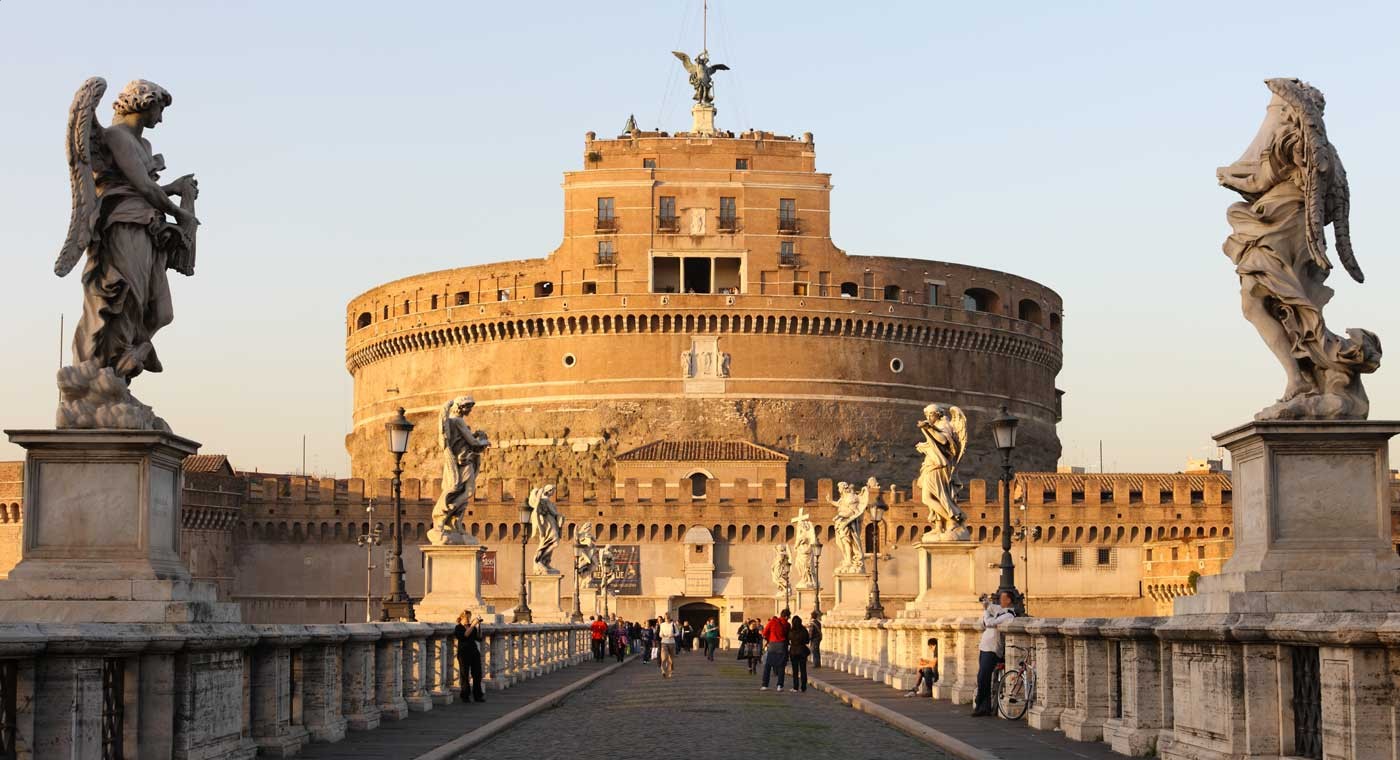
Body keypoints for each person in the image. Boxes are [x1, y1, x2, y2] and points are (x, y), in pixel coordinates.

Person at [972, 591, 1016, 716]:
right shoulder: (999, 610)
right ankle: (983, 706)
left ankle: (982, 706)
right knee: (981, 678)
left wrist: (986, 612)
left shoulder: (1008, 615)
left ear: (1008, 600)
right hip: (985, 647)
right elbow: (990, 606)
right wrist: (985, 602)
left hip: (992, 649)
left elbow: (989, 623)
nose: (1000, 601)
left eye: (1002, 599)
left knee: (983, 678)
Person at [453, 609, 485, 703]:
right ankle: (465, 695)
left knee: (477, 674)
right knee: (464, 674)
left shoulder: (472, 627)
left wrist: (479, 626)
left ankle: (478, 695)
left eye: (470, 617)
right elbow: (465, 636)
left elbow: (479, 638)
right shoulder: (458, 628)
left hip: (474, 652)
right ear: (462, 618)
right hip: (463, 653)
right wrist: (473, 625)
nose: (469, 619)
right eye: (467, 617)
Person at [760, 608, 791, 691]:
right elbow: (788, 636)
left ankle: (764, 685)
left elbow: (764, 633)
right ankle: (779, 685)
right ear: (786, 616)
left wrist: (769, 639)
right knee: (781, 666)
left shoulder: (772, 622)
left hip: (772, 645)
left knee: (768, 665)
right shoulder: (787, 624)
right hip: (782, 645)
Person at [788, 615, 811, 693]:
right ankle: (803, 687)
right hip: (802, 651)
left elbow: (789, 639)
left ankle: (795, 687)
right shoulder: (804, 630)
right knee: (803, 670)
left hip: (793, 651)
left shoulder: (791, 631)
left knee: (795, 671)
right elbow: (807, 640)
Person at [658, 614, 678, 678]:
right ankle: (663, 671)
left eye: (668, 618)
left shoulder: (673, 624)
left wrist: (673, 635)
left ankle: (669, 672)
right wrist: (662, 635)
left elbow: (677, 633)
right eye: (666, 618)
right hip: (664, 642)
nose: (667, 619)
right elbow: (660, 633)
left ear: (670, 618)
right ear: (664, 618)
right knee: (664, 658)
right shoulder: (662, 625)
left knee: (671, 660)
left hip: (672, 643)